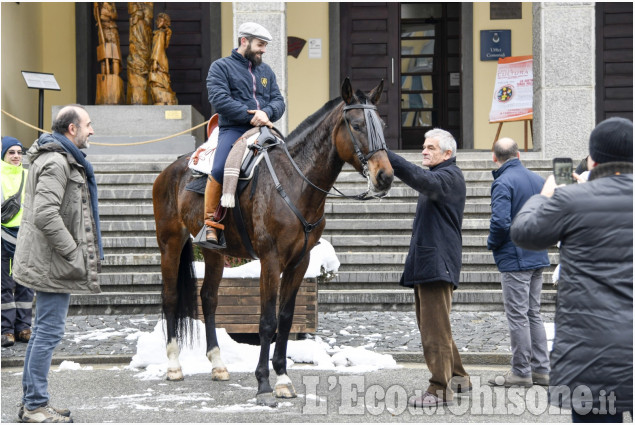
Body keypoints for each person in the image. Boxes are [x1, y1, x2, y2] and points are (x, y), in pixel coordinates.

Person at [511, 117, 633, 422]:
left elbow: (524, 232)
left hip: (593, 352)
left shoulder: (571, 199)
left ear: (592, 159)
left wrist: (546, 195)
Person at [12, 105, 104, 423]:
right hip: (53, 262)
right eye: (88, 125)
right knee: (48, 332)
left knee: (42, 333)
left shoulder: (58, 156)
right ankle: (34, 406)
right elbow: (45, 213)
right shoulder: (56, 161)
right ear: (71, 129)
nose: (92, 130)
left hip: (50, 260)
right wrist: (73, 252)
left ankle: (32, 402)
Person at [386, 129, 470, 407]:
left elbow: (421, 179)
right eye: (423, 146)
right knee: (437, 327)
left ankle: (440, 389)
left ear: (448, 154)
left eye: (431, 147)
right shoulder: (442, 176)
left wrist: (385, 155)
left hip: (437, 264)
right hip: (431, 263)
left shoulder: (448, 177)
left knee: (434, 331)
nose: (424, 151)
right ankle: (459, 378)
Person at [199, 21, 285, 247]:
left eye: (265, 45)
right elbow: (219, 100)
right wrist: (251, 116)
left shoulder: (266, 71)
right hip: (233, 129)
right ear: (243, 41)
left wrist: (266, 113)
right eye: (260, 45)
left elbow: (279, 101)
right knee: (219, 168)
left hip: (264, 128)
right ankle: (211, 224)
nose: (263, 50)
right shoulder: (220, 67)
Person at [486, 137, 551, 388]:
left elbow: (500, 223)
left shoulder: (503, 181)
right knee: (534, 314)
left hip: (515, 256)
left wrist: (493, 243)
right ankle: (542, 371)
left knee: (518, 316)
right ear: (519, 155)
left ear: (495, 157)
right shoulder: (538, 180)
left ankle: (521, 372)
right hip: (537, 253)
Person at [1, 137, 33, 348]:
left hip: (26, 236)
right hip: (3, 235)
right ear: (4, 154)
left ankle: (23, 328)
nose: (16, 156)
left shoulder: (28, 175)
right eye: (11, 152)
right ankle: (6, 330)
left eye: (19, 152)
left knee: (26, 285)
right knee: (4, 285)